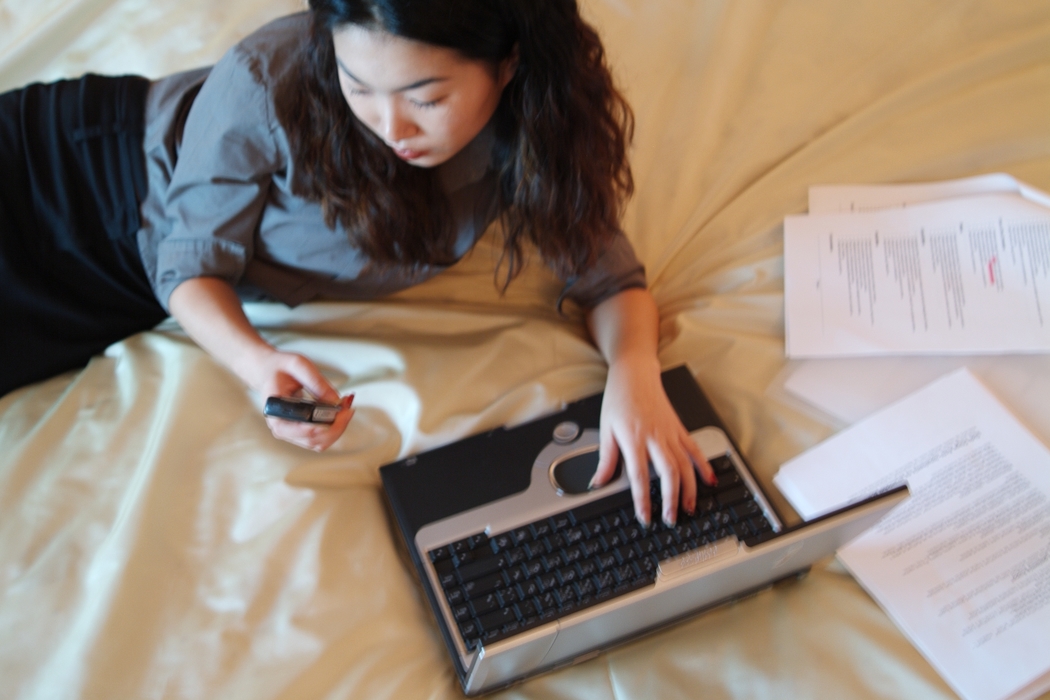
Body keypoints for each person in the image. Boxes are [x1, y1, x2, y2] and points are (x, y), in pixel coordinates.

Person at [0, 0, 714, 527]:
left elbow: (607, 274)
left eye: (425, 98)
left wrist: (635, 372)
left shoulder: (535, 122)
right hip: (82, 176)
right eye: (357, 85)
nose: (390, 126)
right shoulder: (265, 80)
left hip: (125, 271)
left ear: (510, 64)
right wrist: (257, 365)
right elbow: (187, 264)